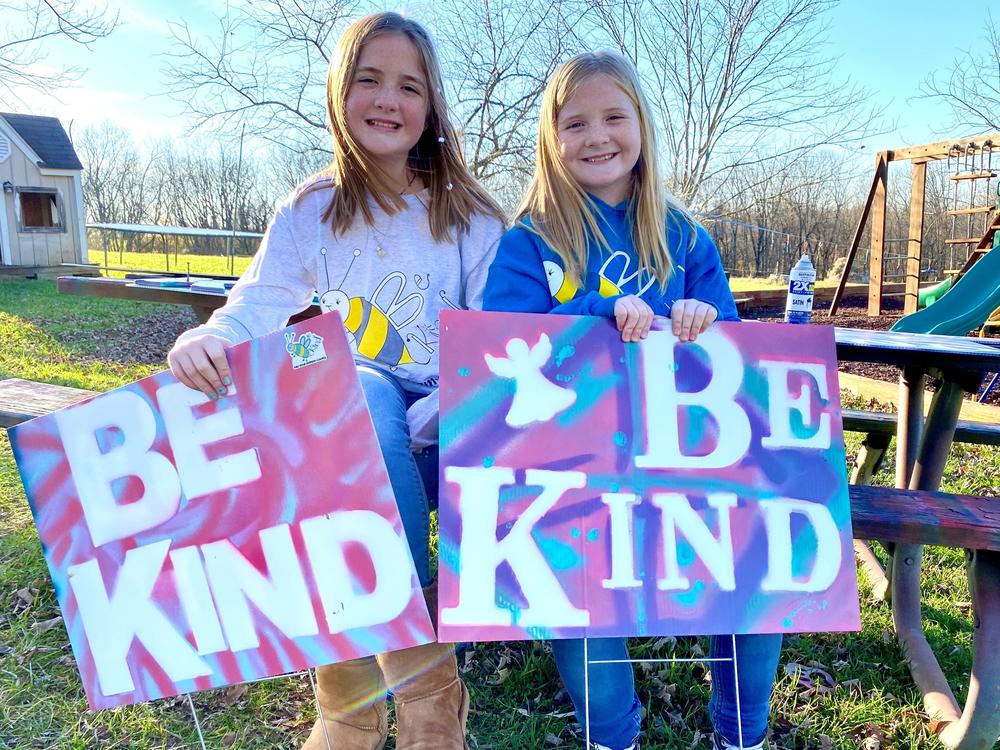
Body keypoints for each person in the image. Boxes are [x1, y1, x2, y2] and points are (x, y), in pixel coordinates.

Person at [167, 12, 505, 750]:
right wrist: (206, 337)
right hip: (363, 398)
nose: (388, 99)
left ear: (431, 107)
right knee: (359, 395)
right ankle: (397, 705)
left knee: (391, 418)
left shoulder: (472, 214)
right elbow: (258, 306)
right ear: (339, 93)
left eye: (408, 86)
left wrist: (448, 405)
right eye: (369, 80)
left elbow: (492, 335)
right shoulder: (311, 208)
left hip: (455, 397)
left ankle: (387, 707)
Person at [482, 50, 782, 750]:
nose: (597, 136)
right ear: (551, 140)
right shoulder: (529, 241)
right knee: (572, 581)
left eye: (614, 116)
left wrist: (704, 324)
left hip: (685, 459)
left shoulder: (684, 236)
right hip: (574, 465)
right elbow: (501, 345)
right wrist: (596, 314)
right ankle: (611, 737)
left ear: (641, 126)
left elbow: (734, 356)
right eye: (575, 122)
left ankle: (743, 734)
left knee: (760, 552)